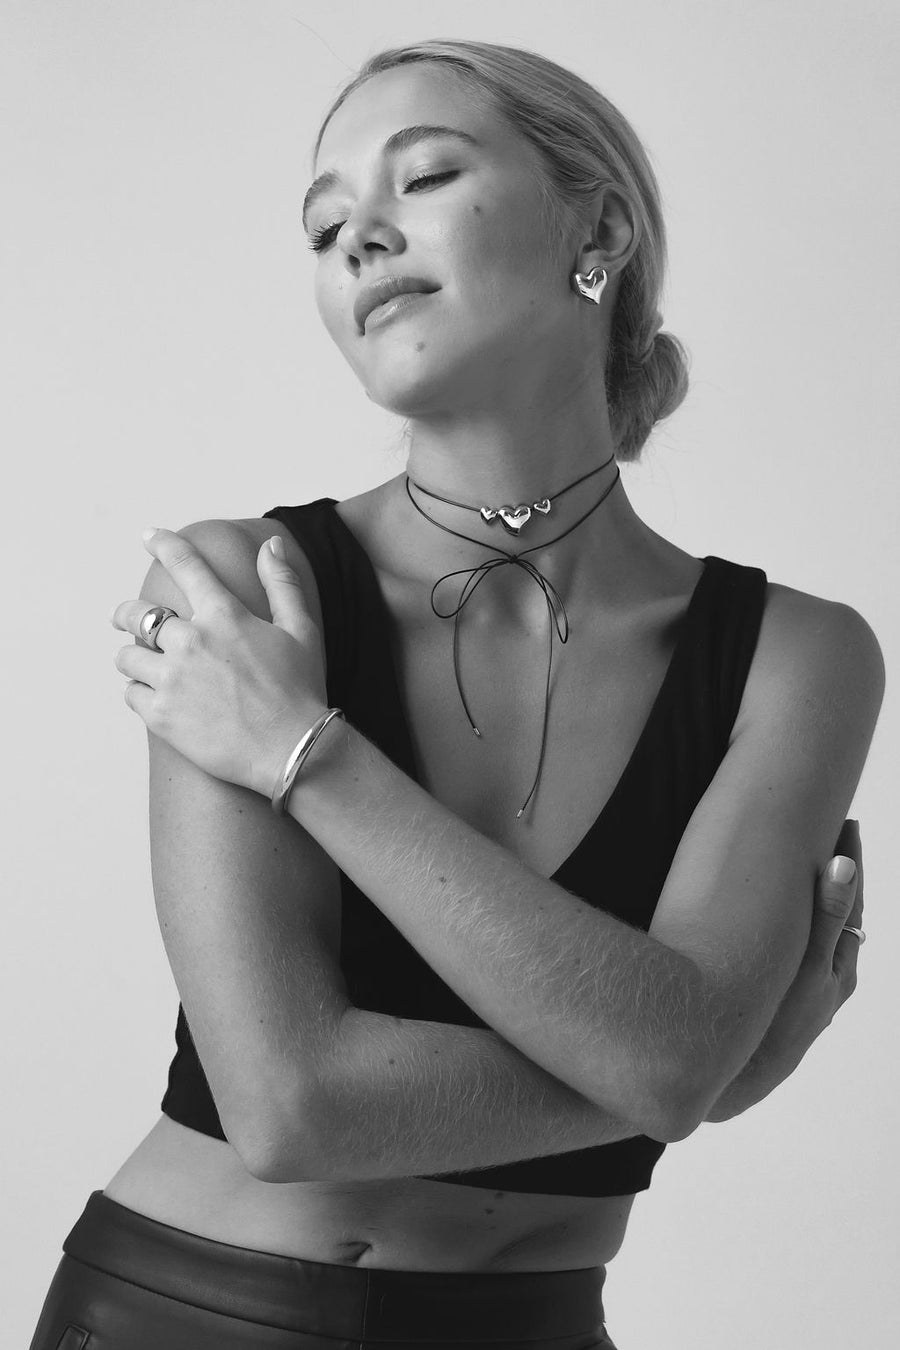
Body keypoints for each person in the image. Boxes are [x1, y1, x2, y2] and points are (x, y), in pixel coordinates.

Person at [28, 38, 882, 1350]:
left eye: (423, 175)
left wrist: (305, 751)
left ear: (595, 230)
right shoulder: (235, 592)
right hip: (192, 1317)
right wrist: (692, 1071)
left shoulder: (798, 656)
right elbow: (292, 1102)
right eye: (322, 227)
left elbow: (670, 1057)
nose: (359, 237)